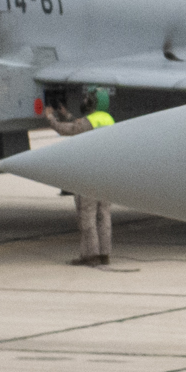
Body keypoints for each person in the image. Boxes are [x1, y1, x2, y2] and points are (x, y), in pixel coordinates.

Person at [67, 87, 118, 265]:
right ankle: (105, 254)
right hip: (106, 174)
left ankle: (91, 255)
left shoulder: (89, 121)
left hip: (88, 175)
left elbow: (70, 129)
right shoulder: (109, 120)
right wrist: (68, 116)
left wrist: (51, 118)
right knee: (104, 215)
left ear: (92, 102)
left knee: (87, 215)